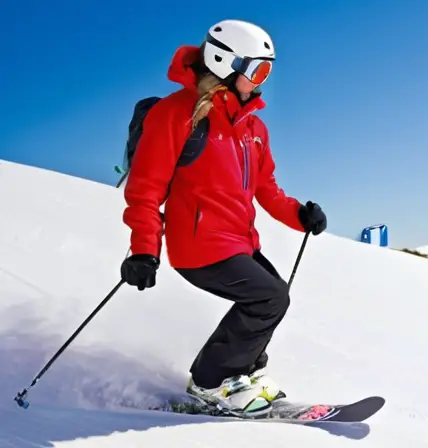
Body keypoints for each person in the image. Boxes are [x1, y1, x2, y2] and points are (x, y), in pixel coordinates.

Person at [118, 19, 327, 414]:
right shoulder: (177, 114)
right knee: (269, 298)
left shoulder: (254, 127)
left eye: (268, 70)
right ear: (224, 62)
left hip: (239, 242)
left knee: (272, 297)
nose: (263, 80)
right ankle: (210, 383)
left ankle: (240, 373)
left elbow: (266, 189)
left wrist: (299, 214)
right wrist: (143, 251)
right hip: (197, 245)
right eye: (258, 70)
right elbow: (145, 189)